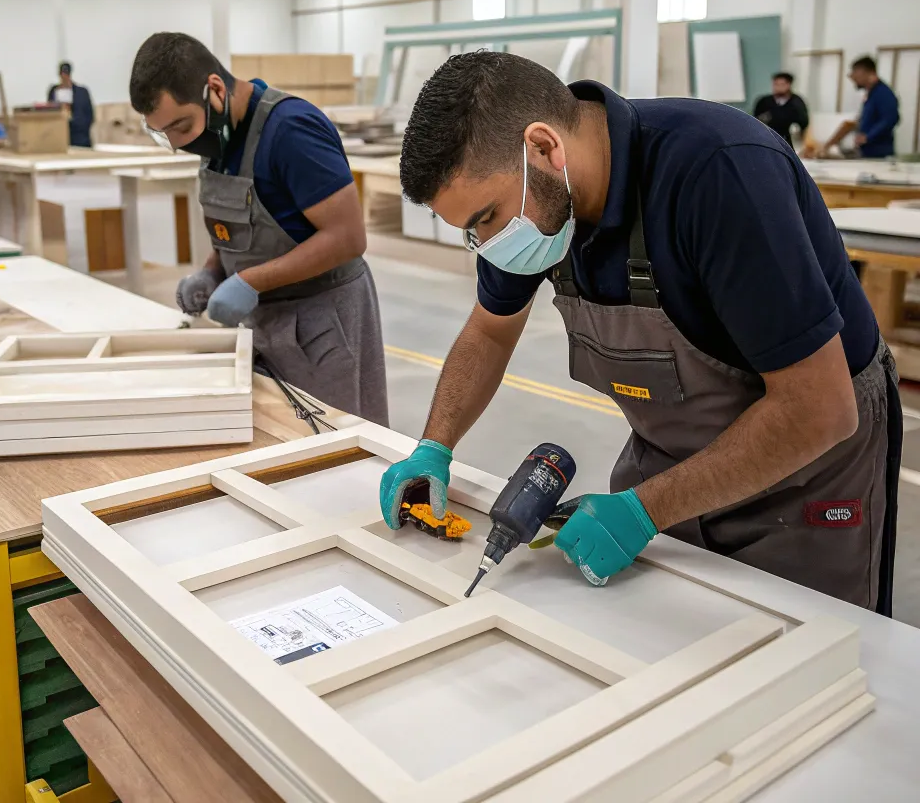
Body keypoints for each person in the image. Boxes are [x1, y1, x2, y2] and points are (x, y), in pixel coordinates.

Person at [378, 51, 900, 614]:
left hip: (807, 472)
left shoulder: (718, 171)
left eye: (485, 218)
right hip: (671, 463)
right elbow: (489, 332)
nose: (488, 244)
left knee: (801, 662)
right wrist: (434, 446)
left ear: (545, 148)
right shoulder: (533, 206)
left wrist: (644, 510)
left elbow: (818, 409)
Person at [129, 32, 387, 425]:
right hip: (265, 321)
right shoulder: (218, 138)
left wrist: (249, 281)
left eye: (181, 126)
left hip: (322, 326)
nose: (180, 143)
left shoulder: (291, 130)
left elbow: (348, 238)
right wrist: (213, 271)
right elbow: (240, 226)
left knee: (335, 447)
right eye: (165, 135)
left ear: (214, 89)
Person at [820, 56, 899, 159]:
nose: (852, 77)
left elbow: (891, 118)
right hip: (868, 152)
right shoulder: (871, 94)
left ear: (866, 72)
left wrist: (867, 137)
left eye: (855, 73)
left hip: (879, 154)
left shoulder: (883, 93)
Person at [752, 72, 809, 148]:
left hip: (790, 143)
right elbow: (755, 120)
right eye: (775, 84)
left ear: (788, 85)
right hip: (767, 141)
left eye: (781, 84)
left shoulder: (797, 102)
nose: (777, 87)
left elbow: (803, 122)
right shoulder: (764, 102)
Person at [47, 62, 95, 147]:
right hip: (60, 134)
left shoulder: (81, 92)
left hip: (80, 136)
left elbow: (89, 115)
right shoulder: (54, 91)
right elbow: (50, 111)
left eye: (66, 73)